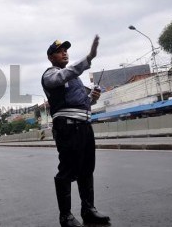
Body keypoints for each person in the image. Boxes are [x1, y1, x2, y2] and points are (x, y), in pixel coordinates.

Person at [41, 35, 110, 227]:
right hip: (67, 129)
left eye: (66, 50)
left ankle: (88, 210)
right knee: (67, 171)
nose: (64, 52)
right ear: (51, 57)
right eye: (59, 51)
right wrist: (89, 58)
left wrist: (93, 98)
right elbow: (63, 76)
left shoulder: (76, 80)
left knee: (87, 169)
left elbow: (83, 104)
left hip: (85, 127)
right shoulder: (51, 74)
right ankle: (66, 216)